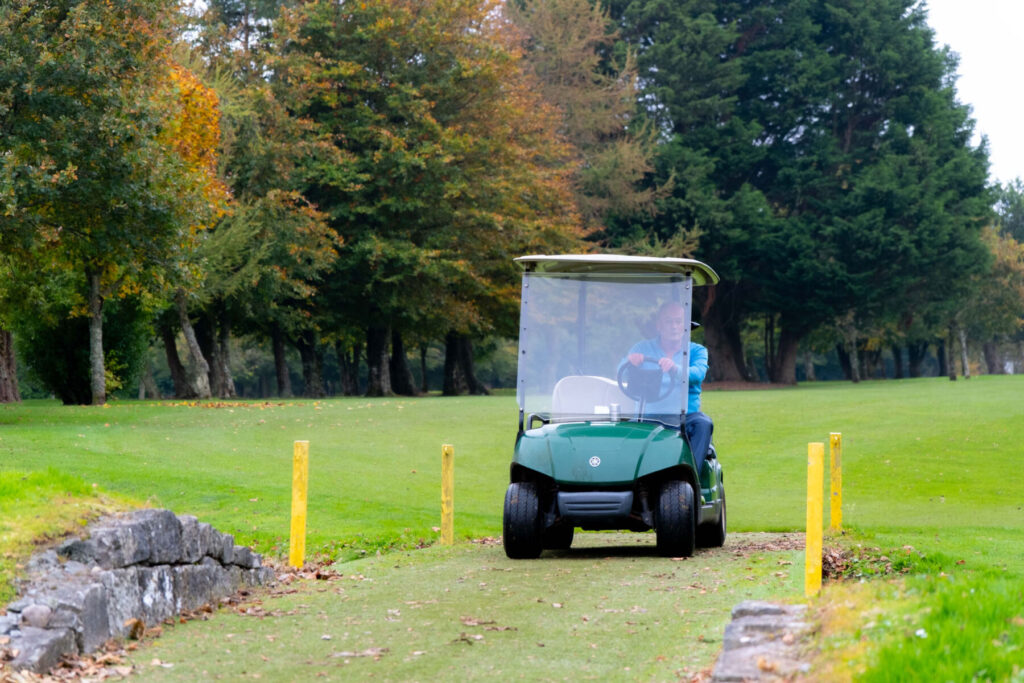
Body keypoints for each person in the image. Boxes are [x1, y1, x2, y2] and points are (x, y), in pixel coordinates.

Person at [623, 301, 714, 478]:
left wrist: (675, 369)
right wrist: (631, 363)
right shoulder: (642, 348)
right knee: (616, 431)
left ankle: (689, 479)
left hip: (685, 416)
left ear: (685, 326)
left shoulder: (696, 351)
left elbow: (697, 374)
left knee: (703, 423)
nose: (674, 326)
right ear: (659, 325)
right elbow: (622, 370)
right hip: (648, 415)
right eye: (668, 321)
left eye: (678, 322)